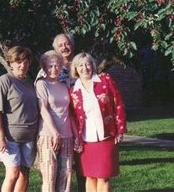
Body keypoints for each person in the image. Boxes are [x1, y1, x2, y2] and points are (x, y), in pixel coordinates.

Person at [69, 52, 127, 192]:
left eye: (87, 64)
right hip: (86, 140)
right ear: (76, 69)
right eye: (80, 65)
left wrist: (120, 129)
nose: (85, 68)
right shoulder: (73, 91)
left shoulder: (105, 80)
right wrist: (76, 138)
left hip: (106, 136)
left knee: (103, 177)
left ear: (93, 65)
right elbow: (73, 117)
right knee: (90, 177)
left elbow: (118, 104)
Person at [36, 33, 86, 192]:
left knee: (67, 175)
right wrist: (55, 132)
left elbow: (69, 109)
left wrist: (75, 134)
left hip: (71, 131)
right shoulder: (42, 79)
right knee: (50, 176)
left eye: (67, 44)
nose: (65, 48)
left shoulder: (76, 70)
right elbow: (42, 108)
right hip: (50, 133)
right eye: (60, 45)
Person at [0, 46, 39, 192]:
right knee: (13, 173)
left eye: (26, 61)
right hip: (9, 136)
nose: (23, 65)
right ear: (11, 63)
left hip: (29, 136)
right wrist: (1, 136)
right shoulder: (4, 80)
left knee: (24, 173)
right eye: (18, 62)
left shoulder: (30, 82)